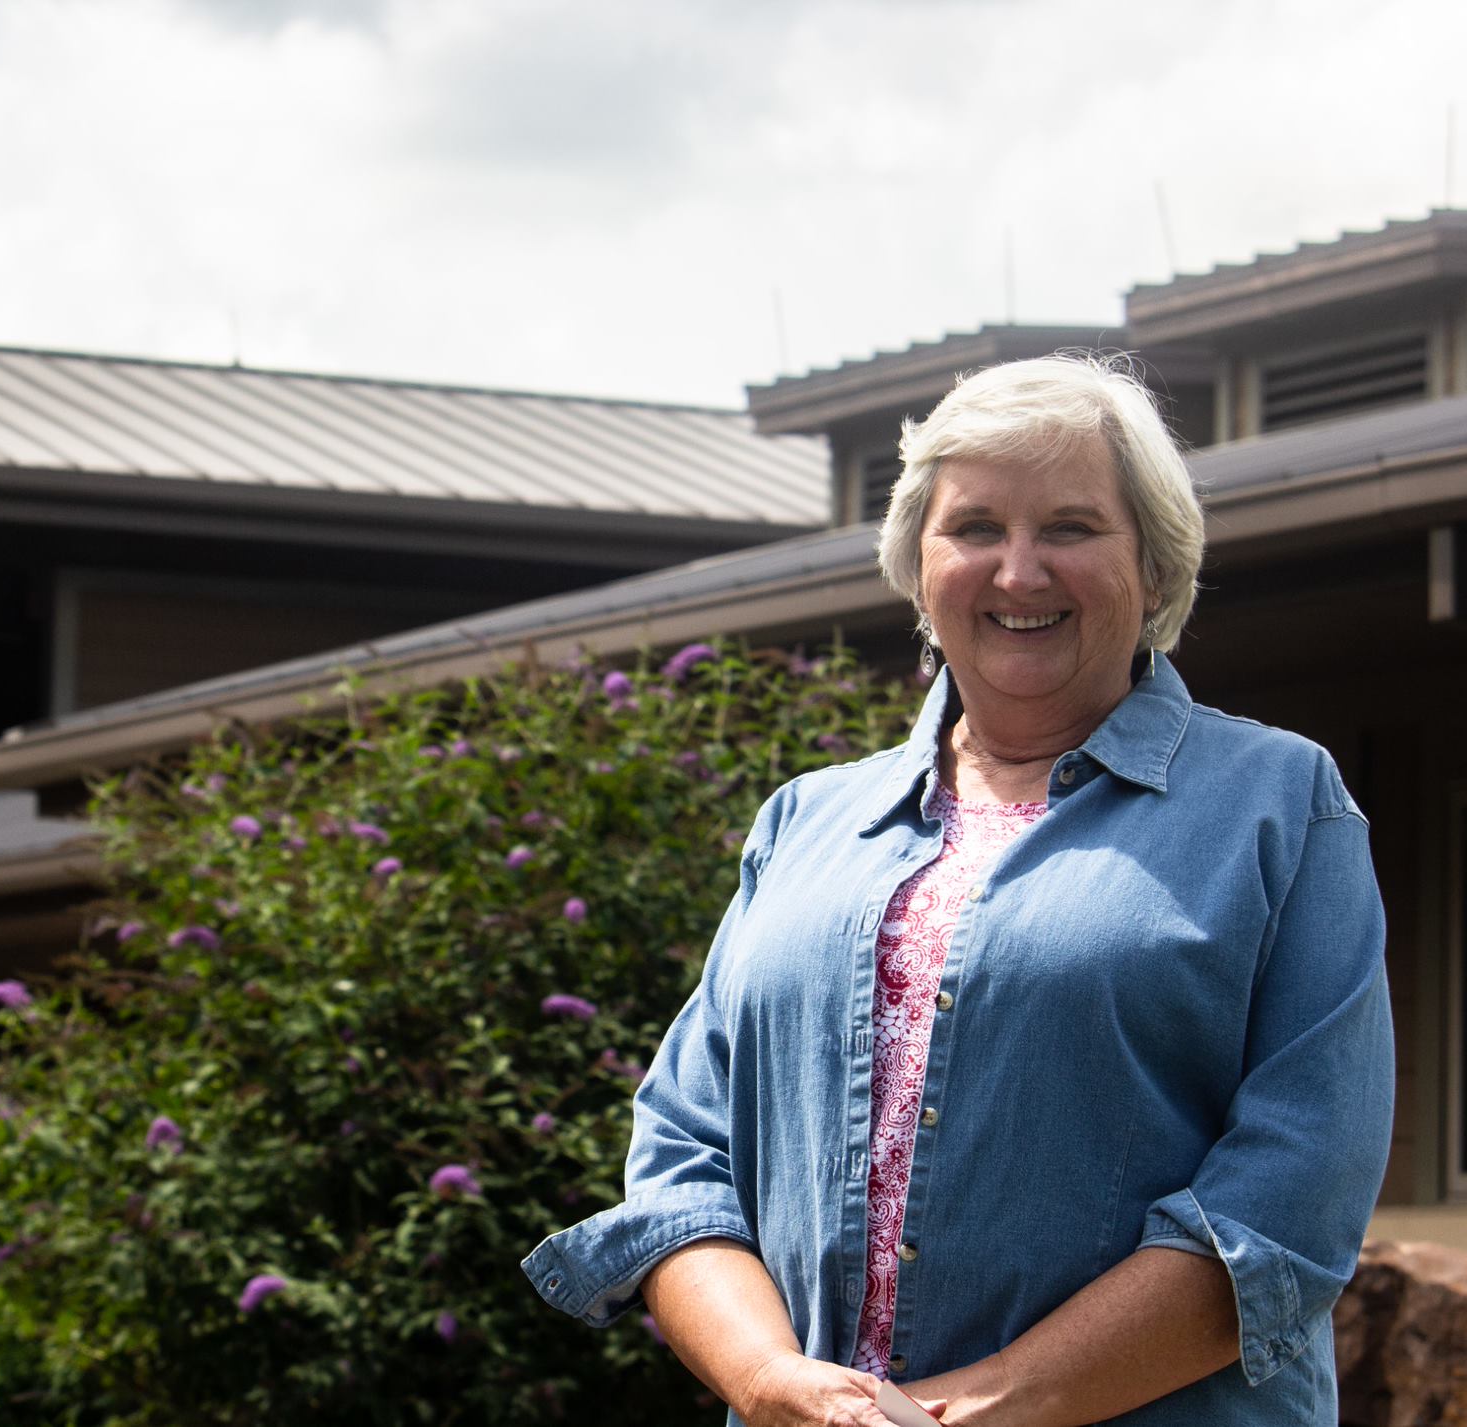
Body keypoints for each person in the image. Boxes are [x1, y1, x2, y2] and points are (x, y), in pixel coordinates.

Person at [522, 353, 1395, 1426]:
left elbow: (1289, 1200)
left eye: (1071, 528)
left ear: (1158, 569)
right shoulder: (805, 822)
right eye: (976, 527)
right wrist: (768, 1381)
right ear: (919, 566)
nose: (1019, 572)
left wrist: (960, 1412)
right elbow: (684, 1156)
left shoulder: (1280, 804)